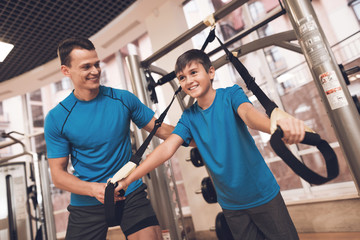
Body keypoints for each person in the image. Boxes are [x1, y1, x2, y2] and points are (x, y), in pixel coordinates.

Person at [116, 49, 304, 240]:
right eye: (182, 77)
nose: (188, 81)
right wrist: (128, 179)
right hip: (231, 205)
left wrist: (276, 127)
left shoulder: (231, 95)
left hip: (262, 196)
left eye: (194, 72)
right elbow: (166, 148)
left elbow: (250, 116)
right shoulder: (189, 118)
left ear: (211, 72)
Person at [44, 37, 174, 240]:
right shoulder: (57, 118)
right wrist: (93, 189)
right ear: (66, 71)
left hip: (129, 193)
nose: (95, 71)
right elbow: (58, 176)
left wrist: (201, 132)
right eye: (86, 66)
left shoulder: (122, 99)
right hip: (87, 202)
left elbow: (163, 131)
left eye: (97, 64)